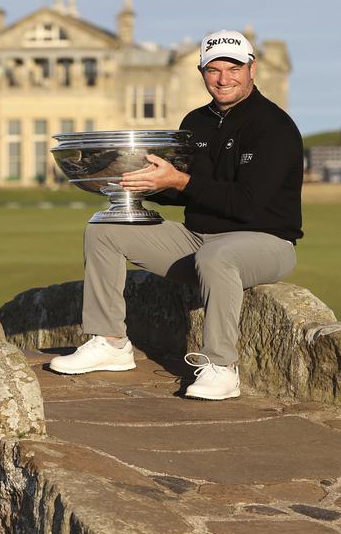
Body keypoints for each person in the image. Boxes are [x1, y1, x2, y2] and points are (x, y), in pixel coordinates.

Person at [49, 29, 304, 400]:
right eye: (213, 70)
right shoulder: (197, 122)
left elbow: (249, 203)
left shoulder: (274, 126)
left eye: (233, 68)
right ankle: (111, 343)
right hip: (197, 239)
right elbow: (183, 191)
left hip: (266, 242)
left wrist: (180, 181)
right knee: (105, 230)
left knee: (218, 256)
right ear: (201, 72)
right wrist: (142, 182)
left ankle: (222, 367)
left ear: (252, 68)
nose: (223, 78)